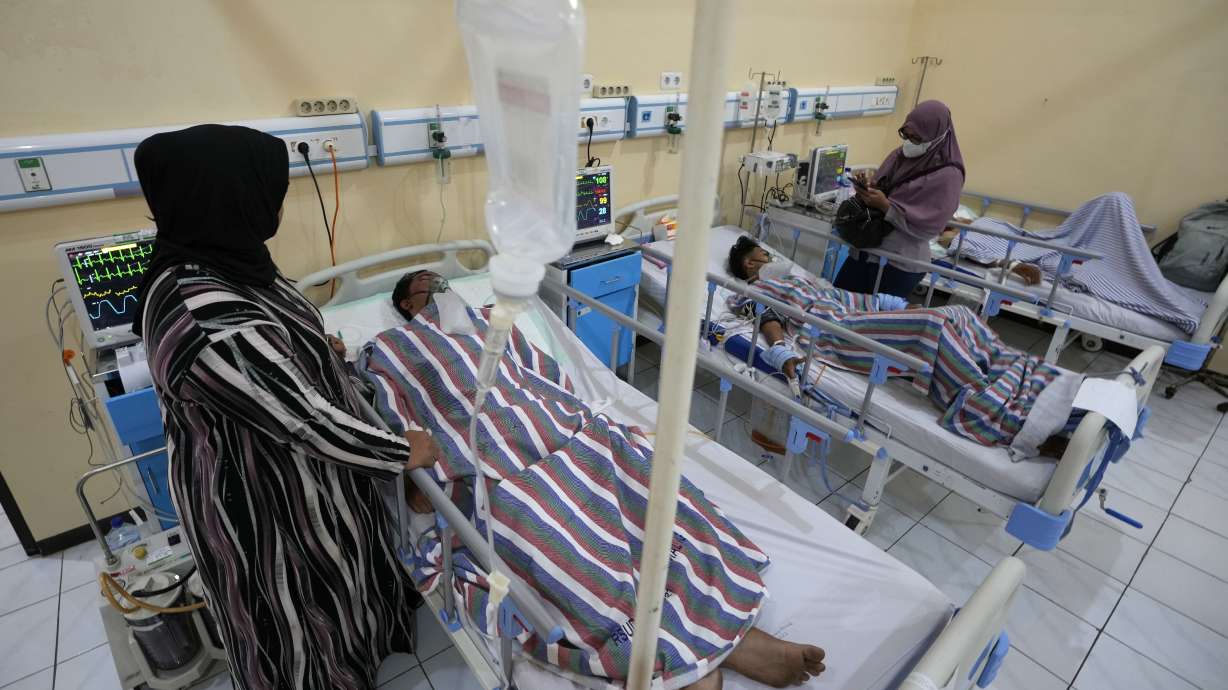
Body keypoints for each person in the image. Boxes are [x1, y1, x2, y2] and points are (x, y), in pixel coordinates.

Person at [357, 272, 827, 689]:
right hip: (491, 465)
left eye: (444, 281)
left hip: (564, 431)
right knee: (556, 542)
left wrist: (576, 418)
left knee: (650, 496)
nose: (442, 288)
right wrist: (420, 478)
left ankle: (714, 640)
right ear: (407, 304)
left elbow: (546, 373)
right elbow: (395, 421)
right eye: (428, 284)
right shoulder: (389, 348)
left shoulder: (490, 318)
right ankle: (684, 661)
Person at [132, 125, 438, 690]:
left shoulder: (227, 258)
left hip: (308, 473)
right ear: (231, 197)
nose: (276, 204)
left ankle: (362, 655)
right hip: (258, 494)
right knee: (291, 608)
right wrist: (402, 452)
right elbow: (304, 423)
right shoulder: (202, 314)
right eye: (269, 192)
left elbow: (275, 338)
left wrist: (317, 348)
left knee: (341, 581)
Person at [834, 100, 966, 298]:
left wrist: (886, 206)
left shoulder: (948, 175)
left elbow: (928, 226)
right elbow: (885, 186)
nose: (909, 142)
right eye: (906, 134)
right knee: (836, 302)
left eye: (917, 138)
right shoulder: (899, 155)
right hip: (866, 249)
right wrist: (867, 189)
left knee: (873, 323)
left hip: (900, 263)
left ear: (938, 136)